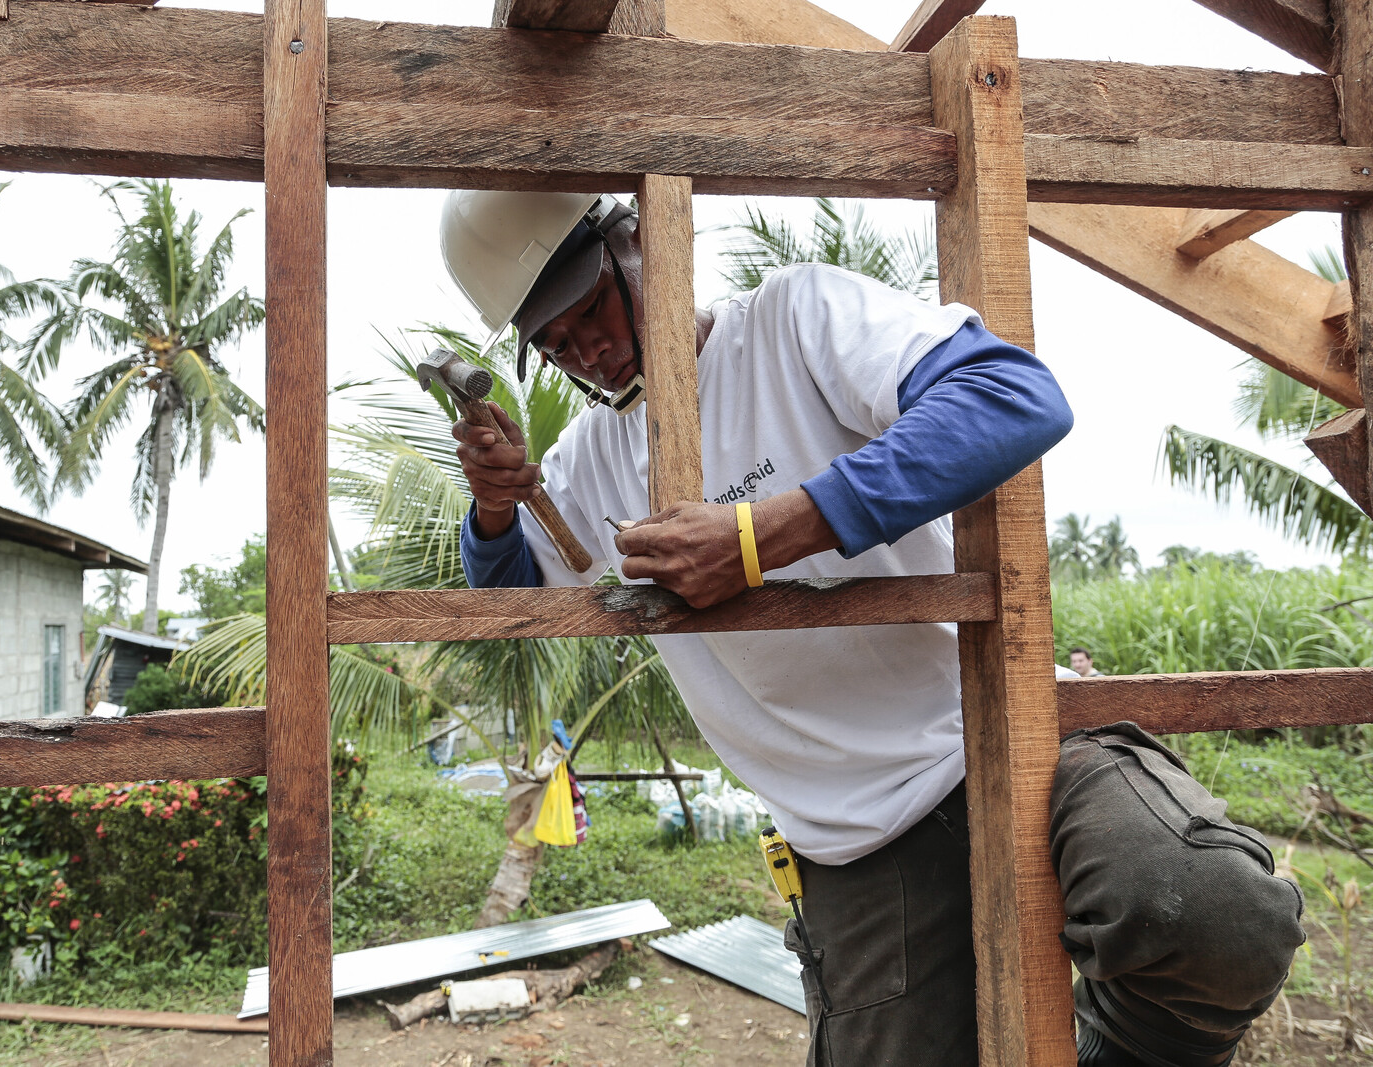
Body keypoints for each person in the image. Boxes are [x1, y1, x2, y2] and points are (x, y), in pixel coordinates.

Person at [439, 190, 1303, 1067]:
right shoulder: (586, 462)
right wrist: (497, 513)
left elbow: (1012, 397)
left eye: (594, 307)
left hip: (1010, 739)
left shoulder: (791, 321)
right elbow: (516, 609)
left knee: (1213, 909)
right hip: (853, 839)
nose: (589, 348)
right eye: (554, 342)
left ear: (643, 239)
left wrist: (758, 535)